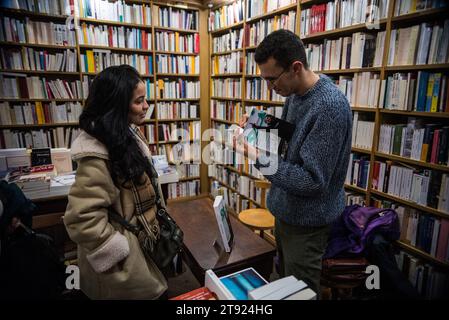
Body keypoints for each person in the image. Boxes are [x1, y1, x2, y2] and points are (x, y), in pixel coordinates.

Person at [237, 29, 352, 297]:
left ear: (295, 68)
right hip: (287, 212)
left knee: (300, 292)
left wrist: (257, 157)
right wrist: (258, 122)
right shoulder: (296, 94)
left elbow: (312, 181)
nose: (269, 87)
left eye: (272, 79)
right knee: (286, 285)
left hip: (307, 223)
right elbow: (292, 133)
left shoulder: (329, 107)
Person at [63, 65, 167, 300]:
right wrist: (118, 252)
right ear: (118, 106)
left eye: (145, 99)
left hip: (142, 241)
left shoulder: (126, 134)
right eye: (139, 101)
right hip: (124, 259)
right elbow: (82, 219)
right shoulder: (96, 152)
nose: (146, 106)